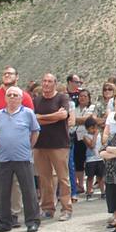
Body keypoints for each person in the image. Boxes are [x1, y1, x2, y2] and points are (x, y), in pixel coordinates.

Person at [0, 87, 43, 232]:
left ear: (21, 98)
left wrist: (28, 147)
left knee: (28, 190)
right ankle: (4, 222)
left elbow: (35, 132)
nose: (12, 97)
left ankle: (32, 221)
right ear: (5, 98)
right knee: (3, 191)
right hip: (4, 158)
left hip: (23, 157)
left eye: (15, 95)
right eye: (9, 95)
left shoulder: (28, 113)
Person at [0, 66, 26, 228]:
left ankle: (14, 214)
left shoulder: (24, 96)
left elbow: (29, 122)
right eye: (4, 73)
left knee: (15, 181)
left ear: (17, 77)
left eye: (10, 73)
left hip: (18, 148)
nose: (7, 75)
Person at [32, 74, 73, 222]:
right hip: (40, 144)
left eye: (49, 81)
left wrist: (41, 117)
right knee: (44, 178)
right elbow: (33, 120)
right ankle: (47, 208)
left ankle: (66, 208)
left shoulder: (62, 98)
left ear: (55, 83)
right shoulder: (36, 100)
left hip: (59, 144)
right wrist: (53, 116)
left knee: (63, 178)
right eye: (44, 81)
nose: (46, 84)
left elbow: (63, 116)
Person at [72, 90, 96, 198]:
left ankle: (91, 185)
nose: (82, 98)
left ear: (89, 98)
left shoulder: (92, 108)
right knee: (78, 161)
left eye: (85, 96)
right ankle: (80, 184)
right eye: (80, 96)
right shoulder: (75, 108)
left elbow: (87, 120)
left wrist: (75, 119)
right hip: (76, 136)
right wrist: (78, 120)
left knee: (90, 160)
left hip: (88, 136)